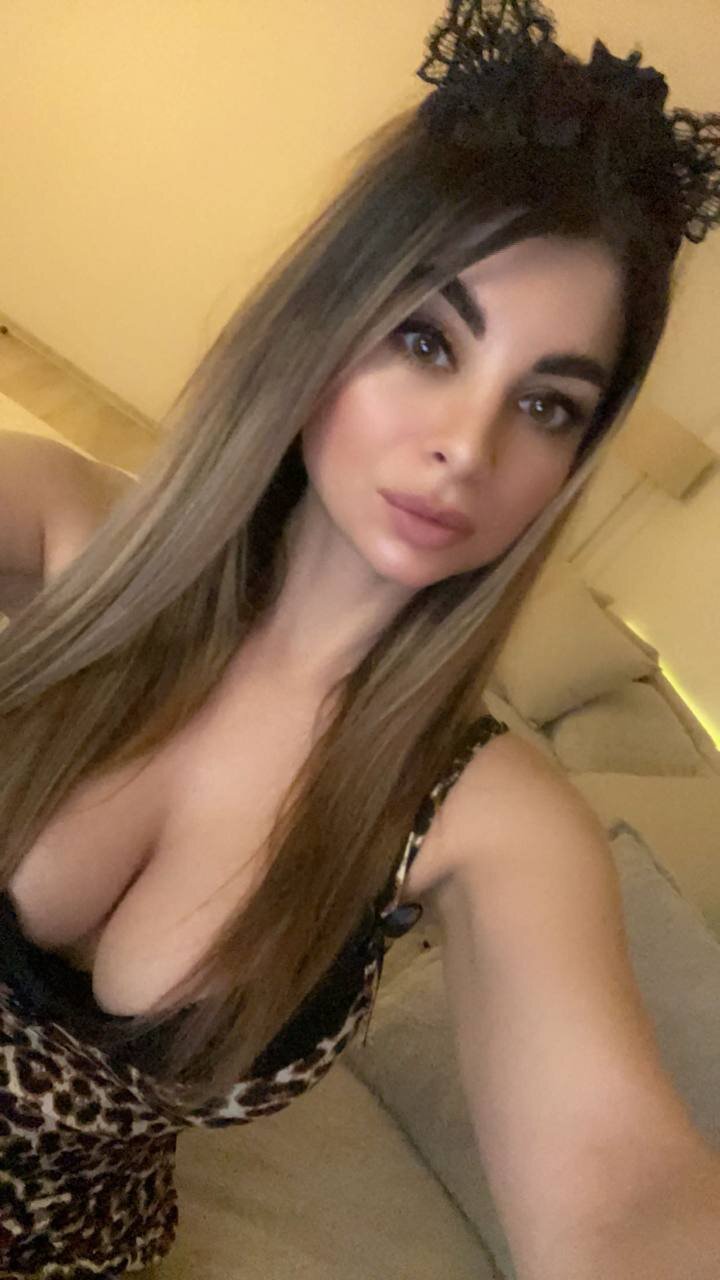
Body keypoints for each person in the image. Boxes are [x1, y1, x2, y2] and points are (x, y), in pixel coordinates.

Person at [1, 2, 719, 1275]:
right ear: (323, 322)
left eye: (547, 404)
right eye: (428, 339)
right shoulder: (65, 527)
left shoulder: (489, 815)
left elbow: (627, 1188)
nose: (467, 447)